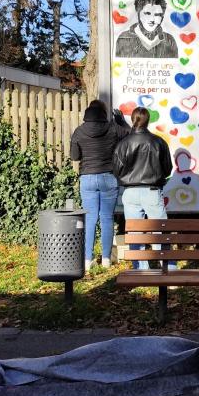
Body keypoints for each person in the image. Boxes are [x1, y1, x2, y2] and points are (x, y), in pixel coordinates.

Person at [70, 100, 131, 272]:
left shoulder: (79, 131)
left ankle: (87, 260)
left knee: (89, 219)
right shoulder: (112, 128)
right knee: (106, 218)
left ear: (88, 112)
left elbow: (75, 157)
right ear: (104, 112)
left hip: (87, 178)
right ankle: (105, 259)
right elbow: (130, 134)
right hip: (108, 177)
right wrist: (121, 121)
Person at [112, 106, 173, 270]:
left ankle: (141, 269)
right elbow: (167, 168)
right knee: (160, 231)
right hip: (152, 191)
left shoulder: (123, 143)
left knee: (135, 234)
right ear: (149, 120)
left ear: (132, 120)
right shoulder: (158, 142)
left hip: (130, 192)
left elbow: (116, 169)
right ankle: (169, 269)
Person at [114, 0, 178, 59]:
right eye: (147, 13)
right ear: (138, 13)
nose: (152, 19)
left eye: (157, 15)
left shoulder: (169, 40)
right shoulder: (124, 38)